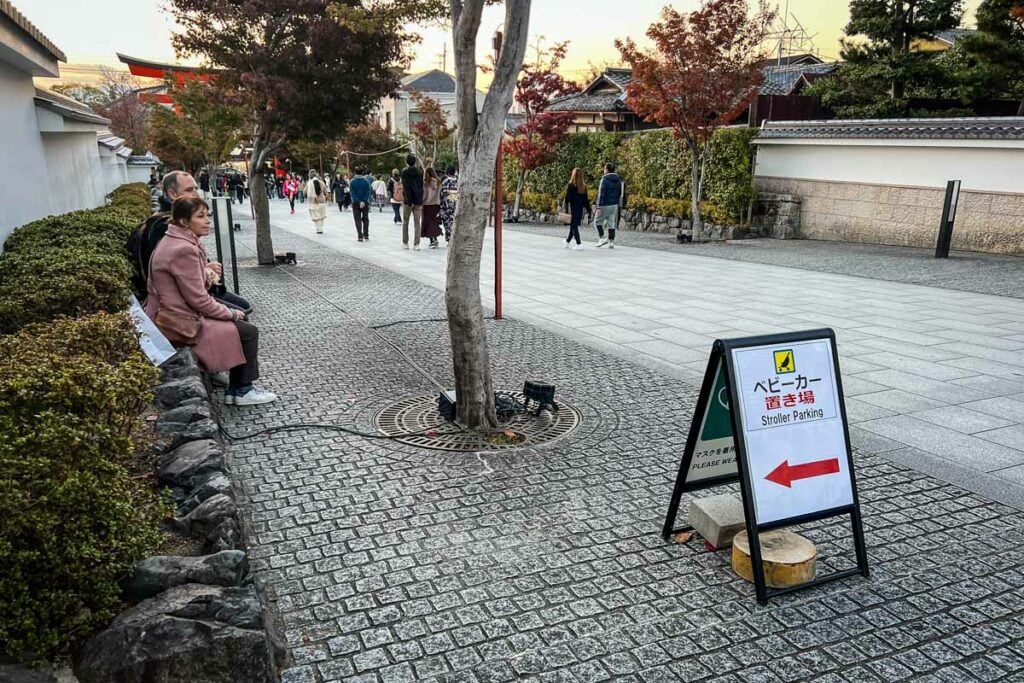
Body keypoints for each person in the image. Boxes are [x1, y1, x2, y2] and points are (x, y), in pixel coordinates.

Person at [147, 197, 276, 407]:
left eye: (208, 215)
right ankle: (242, 390)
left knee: (243, 315)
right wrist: (230, 314)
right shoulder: (183, 249)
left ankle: (236, 387)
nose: (207, 221)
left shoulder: (176, 240)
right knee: (248, 331)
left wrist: (206, 274)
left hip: (174, 311)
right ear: (183, 221)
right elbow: (199, 301)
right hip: (177, 320)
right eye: (200, 216)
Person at [127, 170, 253, 315]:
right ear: (173, 194)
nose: (196, 194)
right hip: (174, 303)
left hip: (183, 294)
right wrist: (206, 269)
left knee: (243, 307)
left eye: (195, 188)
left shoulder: (167, 220)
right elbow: (176, 271)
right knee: (243, 315)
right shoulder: (164, 225)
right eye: (189, 190)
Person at [594, 162, 625, 249]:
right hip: (614, 204)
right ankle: (611, 242)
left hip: (605, 204)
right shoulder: (618, 179)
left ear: (607, 170)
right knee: (611, 223)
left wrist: (599, 206)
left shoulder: (604, 179)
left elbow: (601, 193)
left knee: (597, 222)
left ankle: (602, 238)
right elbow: (619, 192)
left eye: (604, 168)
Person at [563, 168, 592, 250]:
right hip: (580, 209)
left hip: (573, 208)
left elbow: (567, 198)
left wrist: (566, 210)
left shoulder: (571, 185)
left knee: (574, 226)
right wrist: (589, 210)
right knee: (573, 225)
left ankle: (579, 243)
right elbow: (585, 200)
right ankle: (567, 241)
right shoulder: (583, 187)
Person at [400, 155, 424, 250]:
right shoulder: (420, 172)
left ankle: (405, 243)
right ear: (415, 162)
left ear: (407, 162)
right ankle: (416, 244)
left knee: (405, 221)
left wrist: (409, 200)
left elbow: (406, 187)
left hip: (408, 201)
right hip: (418, 200)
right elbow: (420, 187)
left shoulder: (404, 173)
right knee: (417, 222)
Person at [349, 167, 372, 242]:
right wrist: (363, 200)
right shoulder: (366, 181)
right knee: (365, 218)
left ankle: (360, 235)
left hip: (355, 202)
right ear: (362, 172)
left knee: (357, 219)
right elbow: (368, 191)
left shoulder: (352, 182)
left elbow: (352, 193)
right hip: (365, 202)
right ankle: (366, 234)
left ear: (355, 172)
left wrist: (358, 201)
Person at [422, 166, 442, 249]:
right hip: (436, 204)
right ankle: (435, 238)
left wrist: (421, 201)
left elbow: (424, 195)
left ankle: (432, 240)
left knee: (428, 222)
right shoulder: (438, 182)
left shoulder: (426, 182)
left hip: (427, 204)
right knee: (434, 221)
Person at [439, 166, 458, 242]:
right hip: (456, 204)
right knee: (454, 221)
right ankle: (451, 237)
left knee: (447, 223)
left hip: (446, 205)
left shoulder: (445, 182)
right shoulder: (458, 181)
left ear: (447, 172)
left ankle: (449, 237)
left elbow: (442, 193)